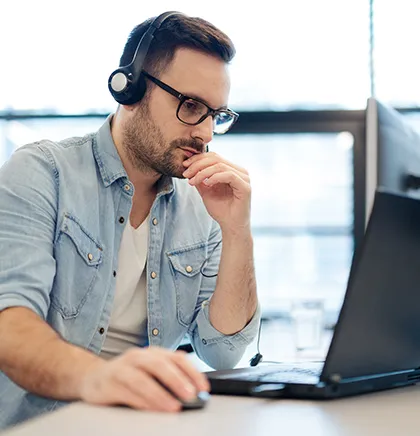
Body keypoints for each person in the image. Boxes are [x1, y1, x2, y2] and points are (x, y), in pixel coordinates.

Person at [0, 11, 260, 429]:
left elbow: (223, 351)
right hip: (43, 424)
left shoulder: (202, 205)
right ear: (130, 87)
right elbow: (8, 327)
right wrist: (99, 378)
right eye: (191, 106)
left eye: (216, 115)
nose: (206, 133)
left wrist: (236, 231)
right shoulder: (42, 172)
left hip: (149, 424)